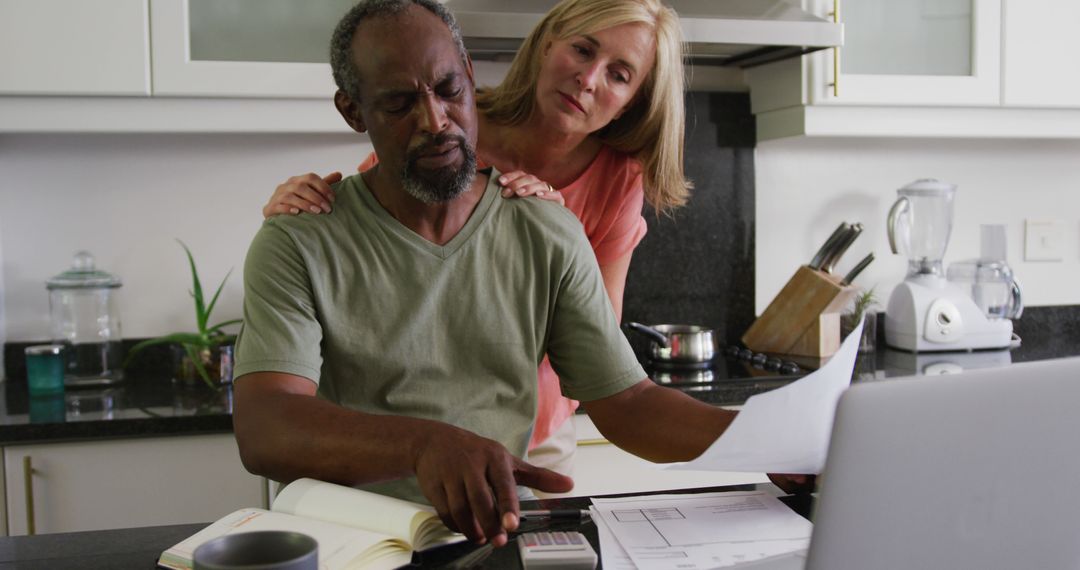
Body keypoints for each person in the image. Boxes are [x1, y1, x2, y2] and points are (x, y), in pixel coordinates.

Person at [233, 0, 801, 549]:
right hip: (347, 538)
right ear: (354, 111)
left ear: (469, 78)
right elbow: (265, 427)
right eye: (399, 102)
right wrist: (425, 444)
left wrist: (769, 444)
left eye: (450, 90)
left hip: (485, 531)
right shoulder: (299, 237)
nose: (435, 121)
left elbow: (625, 401)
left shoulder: (551, 229)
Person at [261, 0, 690, 476]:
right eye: (583, 50)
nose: (588, 80)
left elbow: (602, 353)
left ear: (634, 100)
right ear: (549, 43)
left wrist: (548, 248)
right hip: (391, 443)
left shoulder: (610, 185)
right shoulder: (445, 129)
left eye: (619, 75)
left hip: (534, 427)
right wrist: (299, 213)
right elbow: (380, 255)